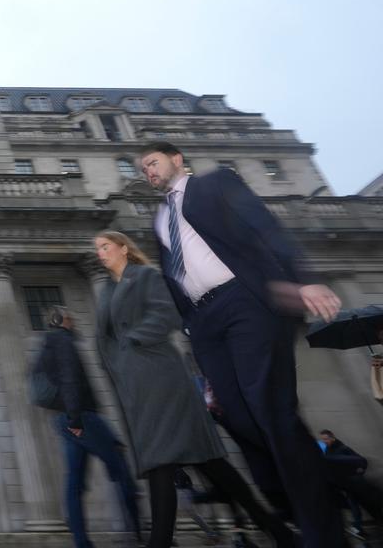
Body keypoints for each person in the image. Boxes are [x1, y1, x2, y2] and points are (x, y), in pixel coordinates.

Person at [140, 142, 344, 546]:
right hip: (205, 321)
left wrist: (303, 278)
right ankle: (321, 492)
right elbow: (174, 278)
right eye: (143, 167)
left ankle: (323, 533)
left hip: (244, 300)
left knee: (270, 409)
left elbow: (265, 227)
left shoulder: (215, 184)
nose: (148, 170)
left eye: (153, 161)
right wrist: (193, 333)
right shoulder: (160, 218)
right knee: (238, 418)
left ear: (176, 159)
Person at [92, 230, 295, 548]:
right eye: (97, 249)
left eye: (105, 246)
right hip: (135, 384)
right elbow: (103, 337)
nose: (100, 253)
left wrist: (134, 340)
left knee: (163, 458)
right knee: (208, 463)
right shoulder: (105, 290)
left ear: (123, 248)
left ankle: (158, 542)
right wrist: (117, 364)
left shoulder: (144, 275)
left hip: (162, 375)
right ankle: (277, 529)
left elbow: (167, 313)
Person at [37, 306, 140, 548]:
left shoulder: (47, 345)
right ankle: (138, 533)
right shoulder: (62, 341)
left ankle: (82, 542)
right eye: (70, 318)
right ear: (62, 321)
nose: (73, 322)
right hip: (80, 417)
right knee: (120, 467)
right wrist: (75, 419)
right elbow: (69, 378)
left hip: (63, 419)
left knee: (74, 481)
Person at [318, 430, 383, 539]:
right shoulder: (328, 452)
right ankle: (358, 528)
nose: (324, 441)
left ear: (332, 438)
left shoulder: (343, 449)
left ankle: (361, 528)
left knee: (366, 506)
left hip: (355, 484)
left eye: (326, 439)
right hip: (347, 485)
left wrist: (359, 472)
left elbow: (360, 461)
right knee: (355, 507)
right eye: (323, 439)